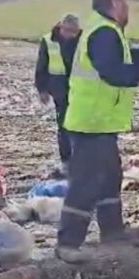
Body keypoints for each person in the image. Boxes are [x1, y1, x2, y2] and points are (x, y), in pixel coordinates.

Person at [56, 0, 139, 264]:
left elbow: (130, 57)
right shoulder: (104, 32)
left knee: (109, 177)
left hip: (99, 124)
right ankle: (67, 243)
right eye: (126, 3)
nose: (128, 9)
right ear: (115, 3)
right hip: (90, 123)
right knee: (84, 183)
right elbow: (112, 70)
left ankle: (112, 231)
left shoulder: (107, 31)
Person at [34, 13, 82, 172]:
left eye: (74, 31)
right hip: (59, 88)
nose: (70, 34)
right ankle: (67, 160)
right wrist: (42, 89)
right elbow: (42, 65)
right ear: (61, 27)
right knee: (64, 125)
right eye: (67, 30)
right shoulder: (49, 41)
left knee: (82, 125)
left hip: (81, 89)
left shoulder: (84, 40)